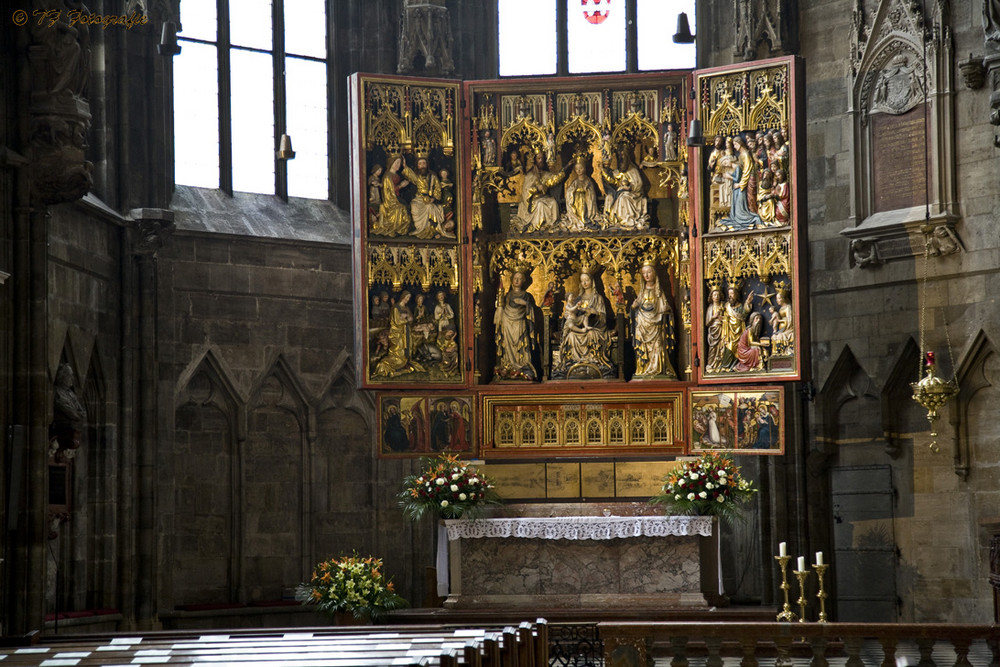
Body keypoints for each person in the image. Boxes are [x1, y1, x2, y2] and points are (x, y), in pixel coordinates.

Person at [551, 267, 615, 379]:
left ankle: (593, 361)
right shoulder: (578, 299)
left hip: (594, 328)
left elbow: (603, 318)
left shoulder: (598, 298)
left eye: (587, 280)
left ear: (592, 281)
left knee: (591, 334)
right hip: (579, 327)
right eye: (582, 281)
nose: (585, 283)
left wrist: (593, 312)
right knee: (571, 336)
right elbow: (572, 313)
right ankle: (574, 363)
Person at [630, 261, 677, 379]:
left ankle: (659, 370)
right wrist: (633, 307)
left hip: (656, 325)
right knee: (644, 348)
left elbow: (665, 308)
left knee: (659, 346)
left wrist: (667, 310)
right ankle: (644, 369)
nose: (646, 275)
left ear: (654, 274)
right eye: (644, 273)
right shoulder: (642, 291)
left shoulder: (659, 291)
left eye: (649, 272)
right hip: (642, 325)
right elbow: (635, 308)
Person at [493, 270, 538, 380]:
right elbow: (501, 308)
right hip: (507, 322)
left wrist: (525, 304)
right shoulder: (507, 295)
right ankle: (508, 365)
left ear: (523, 281)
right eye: (515, 278)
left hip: (520, 323)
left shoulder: (526, 296)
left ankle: (521, 365)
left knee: (520, 344)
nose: (517, 281)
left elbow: (530, 312)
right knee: (507, 346)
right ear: (512, 280)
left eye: (520, 278)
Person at [374, 291, 425, 377]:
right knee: (399, 350)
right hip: (398, 333)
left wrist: (408, 319)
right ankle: (393, 365)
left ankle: (404, 364)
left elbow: (411, 318)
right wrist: (405, 320)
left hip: (406, 331)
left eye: (409, 298)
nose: (407, 299)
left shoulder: (406, 308)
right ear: (403, 297)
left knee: (407, 349)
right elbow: (397, 321)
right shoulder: (396, 308)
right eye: (407, 297)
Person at [512, 150, 563, 233]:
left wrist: (566, 168)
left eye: (542, 158)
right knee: (540, 205)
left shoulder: (545, 173)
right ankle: (538, 225)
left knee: (553, 202)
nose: (541, 161)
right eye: (538, 158)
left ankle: (551, 224)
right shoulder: (530, 175)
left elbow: (554, 179)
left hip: (543, 197)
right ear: (534, 160)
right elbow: (526, 191)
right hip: (532, 201)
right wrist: (536, 189)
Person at [719, 136, 763, 231]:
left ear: (740, 143)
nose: (734, 147)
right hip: (743, 181)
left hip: (749, 179)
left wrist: (740, 184)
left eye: (735, 144)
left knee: (751, 200)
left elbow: (747, 170)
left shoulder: (745, 154)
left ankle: (754, 218)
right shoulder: (740, 155)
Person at [602, 148, 649, 230]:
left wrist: (630, 187)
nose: (621, 158)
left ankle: (627, 221)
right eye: (620, 156)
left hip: (634, 194)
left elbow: (639, 183)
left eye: (623, 156)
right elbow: (612, 180)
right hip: (620, 192)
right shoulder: (619, 171)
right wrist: (605, 170)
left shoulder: (633, 169)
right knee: (613, 197)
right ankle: (616, 221)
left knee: (624, 197)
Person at [402, 154, 445, 239]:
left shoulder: (433, 176)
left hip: (430, 199)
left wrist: (433, 198)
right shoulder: (417, 177)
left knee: (430, 207)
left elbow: (437, 189)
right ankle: (419, 228)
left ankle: (432, 230)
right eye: (420, 164)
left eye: (424, 163)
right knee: (414, 207)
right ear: (417, 166)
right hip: (419, 198)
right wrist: (404, 166)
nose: (422, 166)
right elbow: (410, 175)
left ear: (427, 164)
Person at [373, 156, 411, 236]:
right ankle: (396, 229)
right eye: (396, 162)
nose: (398, 165)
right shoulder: (387, 176)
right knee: (400, 208)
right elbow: (389, 190)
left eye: (399, 163)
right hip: (390, 199)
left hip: (396, 197)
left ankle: (401, 229)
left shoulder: (396, 174)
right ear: (391, 163)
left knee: (405, 206)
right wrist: (401, 186)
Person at [720, 284, 754, 369]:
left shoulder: (740, 306)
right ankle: (726, 367)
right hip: (729, 332)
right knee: (729, 347)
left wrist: (748, 303)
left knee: (739, 348)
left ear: (736, 295)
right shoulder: (727, 306)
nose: (730, 296)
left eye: (732, 294)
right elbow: (724, 316)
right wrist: (722, 318)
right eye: (729, 294)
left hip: (739, 331)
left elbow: (744, 315)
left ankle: (734, 366)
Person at [562, 155, 599, 231]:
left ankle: (585, 219)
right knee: (578, 197)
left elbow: (592, 193)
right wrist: (574, 192)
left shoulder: (588, 181)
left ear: (585, 169)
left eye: (581, 168)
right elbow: (569, 191)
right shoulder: (575, 182)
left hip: (585, 202)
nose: (579, 171)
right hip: (576, 203)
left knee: (582, 198)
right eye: (577, 169)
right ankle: (578, 219)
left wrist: (586, 191)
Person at [705, 287, 725, 372]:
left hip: (722, 329)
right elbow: (707, 322)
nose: (716, 296)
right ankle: (710, 364)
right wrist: (714, 317)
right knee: (713, 348)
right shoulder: (710, 308)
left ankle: (720, 365)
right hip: (713, 330)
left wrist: (722, 318)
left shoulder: (723, 306)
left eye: (718, 295)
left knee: (722, 347)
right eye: (714, 295)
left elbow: (727, 318)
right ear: (711, 297)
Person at [769, 286, 794, 355]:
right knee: (774, 337)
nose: (777, 300)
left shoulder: (788, 307)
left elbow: (790, 321)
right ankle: (777, 354)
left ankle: (784, 352)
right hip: (782, 329)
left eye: (779, 298)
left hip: (787, 329)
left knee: (780, 336)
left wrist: (781, 323)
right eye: (777, 298)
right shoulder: (780, 309)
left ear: (783, 298)